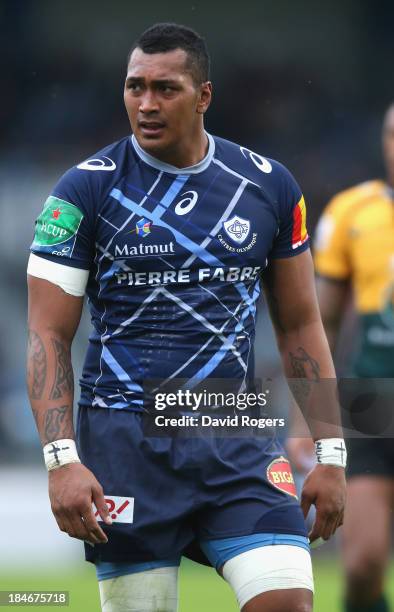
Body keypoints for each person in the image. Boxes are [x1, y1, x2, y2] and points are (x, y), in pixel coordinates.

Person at [27, 23, 346, 612]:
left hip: (232, 425)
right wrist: (61, 461)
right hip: (124, 437)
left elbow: (301, 324)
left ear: (203, 96)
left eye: (165, 89)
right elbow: (48, 334)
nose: (146, 104)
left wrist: (330, 453)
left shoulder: (270, 187)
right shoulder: (81, 194)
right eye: (134, 87)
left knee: (289, 604)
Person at [311, 104, 394, 612]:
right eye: (391, 134)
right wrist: (310, 423)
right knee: (362, 565)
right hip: (372, 403)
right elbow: (319, 326)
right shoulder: (351, 212)